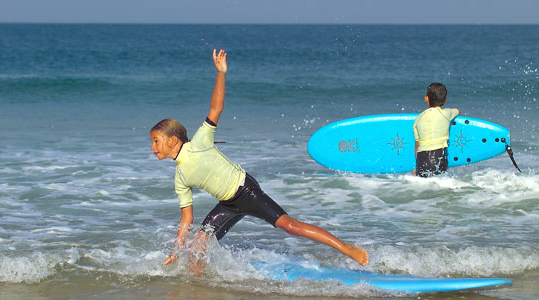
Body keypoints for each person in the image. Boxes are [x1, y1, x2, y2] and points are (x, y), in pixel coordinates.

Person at [150, 49, 368, 271]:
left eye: (156, 141)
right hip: (227, 205)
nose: (153, 147)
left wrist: (221, 73)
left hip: (247, 191)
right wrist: (177, 250)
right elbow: (186, 218)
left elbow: (216, 108)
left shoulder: (200, 142)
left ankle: (347, 248)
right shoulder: (180, 177)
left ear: (173, 140)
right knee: (197, 250)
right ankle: (202, 297)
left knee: (290, 226)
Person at [413, 82, 460, 177]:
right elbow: (458, 111)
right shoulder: (447, 113)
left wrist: (417, 166)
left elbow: (417, 145)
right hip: (439, 156)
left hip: (423, 158)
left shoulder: (418, 119)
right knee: (439, 182)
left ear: (426, 98)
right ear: (445, 100)